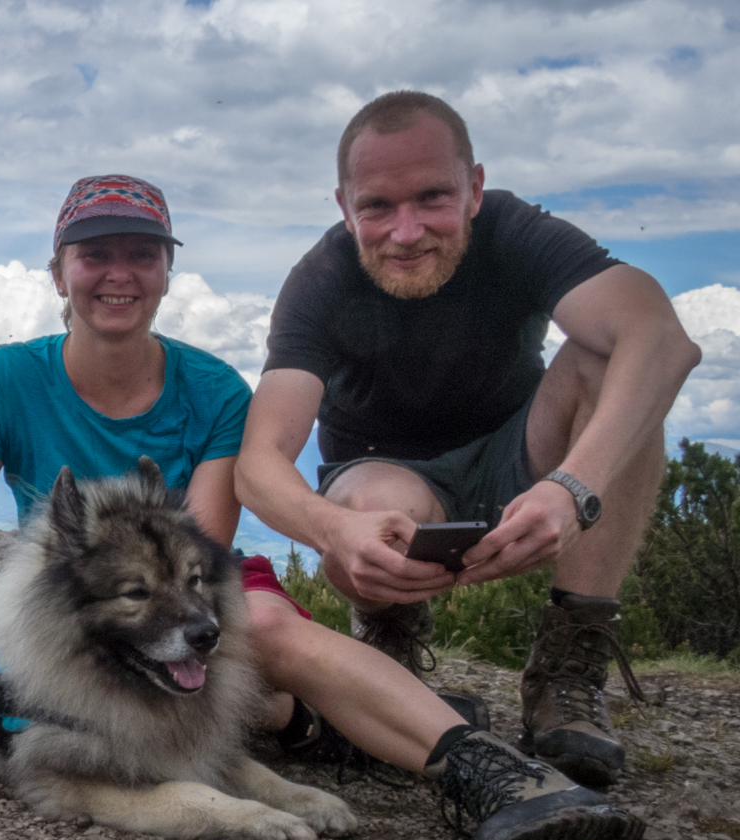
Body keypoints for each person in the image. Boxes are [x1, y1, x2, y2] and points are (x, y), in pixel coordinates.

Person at [0, 173, 643, 840]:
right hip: (86, 605)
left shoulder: (216, 389)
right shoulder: (7, 378)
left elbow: (203, 564)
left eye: (142, 253)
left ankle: (494, 772)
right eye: (94, 254)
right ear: (59, 273)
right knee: (236, 697)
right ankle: (325, 724)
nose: (118, 274)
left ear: (167, 271)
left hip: (193, 584)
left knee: (254, 627)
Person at [235, 91, 702, 790]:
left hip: (520, 457)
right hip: (386, 478)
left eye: (432, 198)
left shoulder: (517, 233)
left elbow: (660, 338)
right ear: (344, 206)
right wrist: (335, 531)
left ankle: (568, 665)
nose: (406, 231)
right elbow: (260, 461)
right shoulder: (320, 281)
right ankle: (389, 626)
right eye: (378, 207)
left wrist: (571, 490)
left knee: (614, 364)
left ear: (475, 188)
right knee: (374, 499)